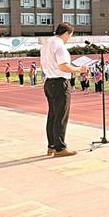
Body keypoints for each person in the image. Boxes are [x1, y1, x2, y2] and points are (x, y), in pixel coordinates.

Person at [40, 22, 86, 157]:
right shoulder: (60, 46)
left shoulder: (46, 44)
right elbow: (63, 67)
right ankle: (60, 148)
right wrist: (79, 69)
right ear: (66, 33)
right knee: (61, 117)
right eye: (70, 36)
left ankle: (52, 146)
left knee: (53, 116)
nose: (69, 39)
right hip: (60, 82)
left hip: (49, 82)